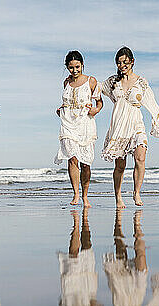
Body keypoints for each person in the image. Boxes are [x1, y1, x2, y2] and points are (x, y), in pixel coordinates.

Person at [100, 47, 159, 207]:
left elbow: (151, 102)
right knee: (120, 165)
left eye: (125, 62)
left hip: (136, 124)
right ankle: (118, 197)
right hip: (119, 126)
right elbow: (96, 88)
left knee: (140, 158)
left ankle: (136, 193)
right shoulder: (113, 82)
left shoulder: (141, 82)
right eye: (119, 63)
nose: (122, 65)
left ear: (132, 62)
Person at [54, 50, 103, 208]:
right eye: (71, 67)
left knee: (85, 163)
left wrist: (95, 110)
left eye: (77, 67)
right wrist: (60, 109)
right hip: (68, 123)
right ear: (67, 67)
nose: (74, 71)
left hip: (85, 124)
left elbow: (99, 103)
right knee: (72, 158)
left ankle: (85, 195)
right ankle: (75, 193)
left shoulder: (91, 81)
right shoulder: (66, 83)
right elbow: (67, 102)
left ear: (82, 65)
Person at [57, 209, 104, 306]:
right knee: (87, 250)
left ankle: (77, 224)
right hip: (86, 292)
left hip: (70, 295)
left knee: (73, 258)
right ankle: (84, 223)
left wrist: (62, 305)